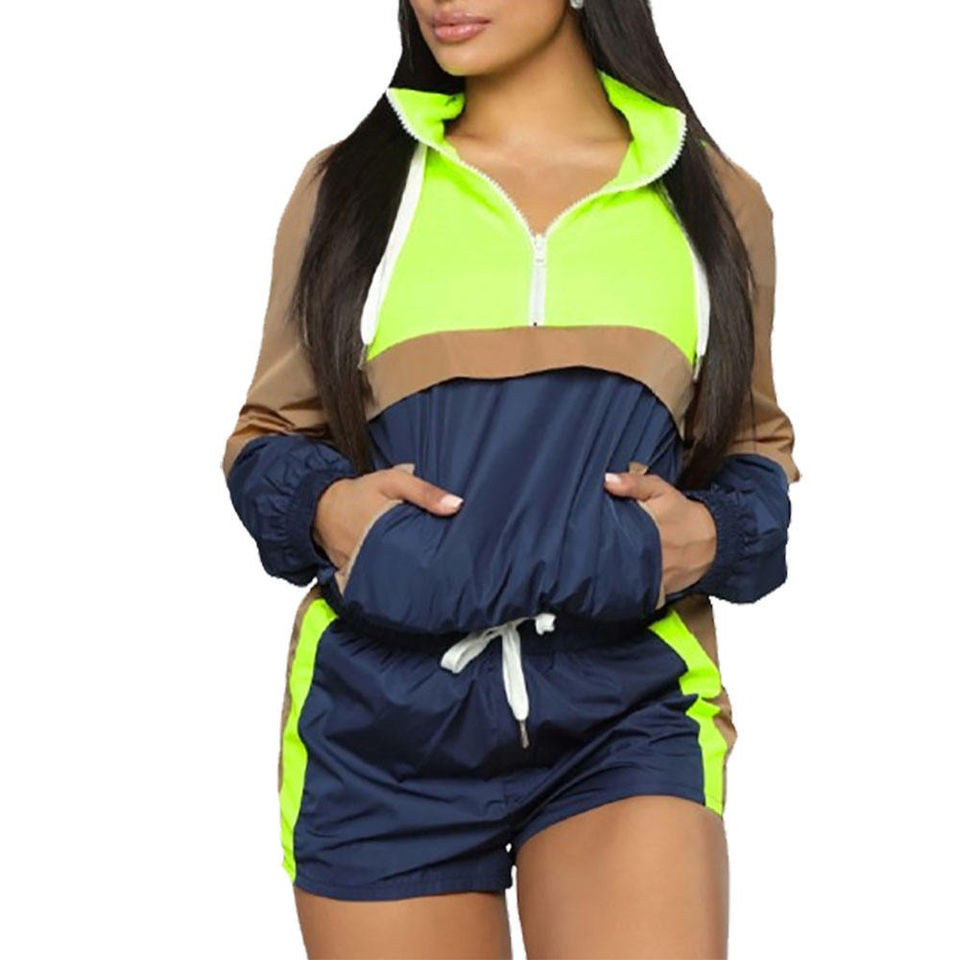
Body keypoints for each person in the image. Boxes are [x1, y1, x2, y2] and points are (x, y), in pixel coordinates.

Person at [220, 1, 801, 956]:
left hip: (625, 710)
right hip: (380, 731)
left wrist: (717, 534)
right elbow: (268, 435)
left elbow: (753, 444)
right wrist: (326, 508)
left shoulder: (709, 198)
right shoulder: (356, 187)